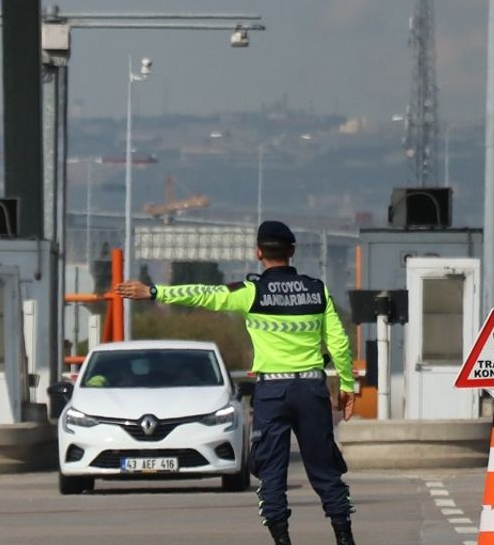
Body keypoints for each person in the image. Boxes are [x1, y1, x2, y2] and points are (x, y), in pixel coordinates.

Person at [116, 220, 358, 545]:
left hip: (273, 391)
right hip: (311, 389)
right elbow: (340, 343)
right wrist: (346, 385)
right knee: (325, 468)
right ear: (293, 252)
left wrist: (154, 292)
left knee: (271, 471)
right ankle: (344, 538)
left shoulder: (251, 292)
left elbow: (205, 295)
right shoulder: (317, 291)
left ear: (259, 253)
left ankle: (282, 541)